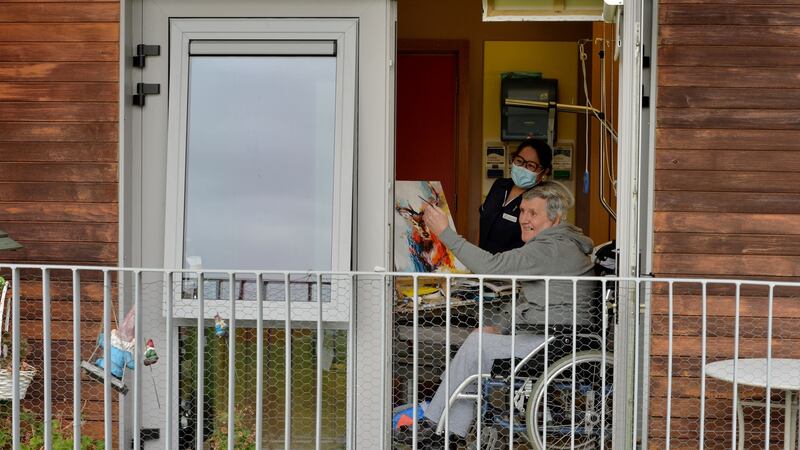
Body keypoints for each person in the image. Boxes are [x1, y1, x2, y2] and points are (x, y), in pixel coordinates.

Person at [400, 181, 597, 444]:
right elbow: (526, 300)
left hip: (556, 342)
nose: (523, 219)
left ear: (555, 218)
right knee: (477, 343)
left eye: (533, 213)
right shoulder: (559, 244)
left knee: (476, 345)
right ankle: (444, 429)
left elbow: (492, 266)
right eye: (523, 211)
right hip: (555, 337)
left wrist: (446, 233)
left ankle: (439, 426)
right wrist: (500, 326)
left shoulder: (551, 248)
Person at [479, 138, 553, 254]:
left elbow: (538, 245)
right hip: (484, 263)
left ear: (544, 171)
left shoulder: (540, 199)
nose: (523, 167)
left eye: (530, 165)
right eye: (519, 161)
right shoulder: (499, 186)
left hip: (513, 267)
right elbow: (482, 220)